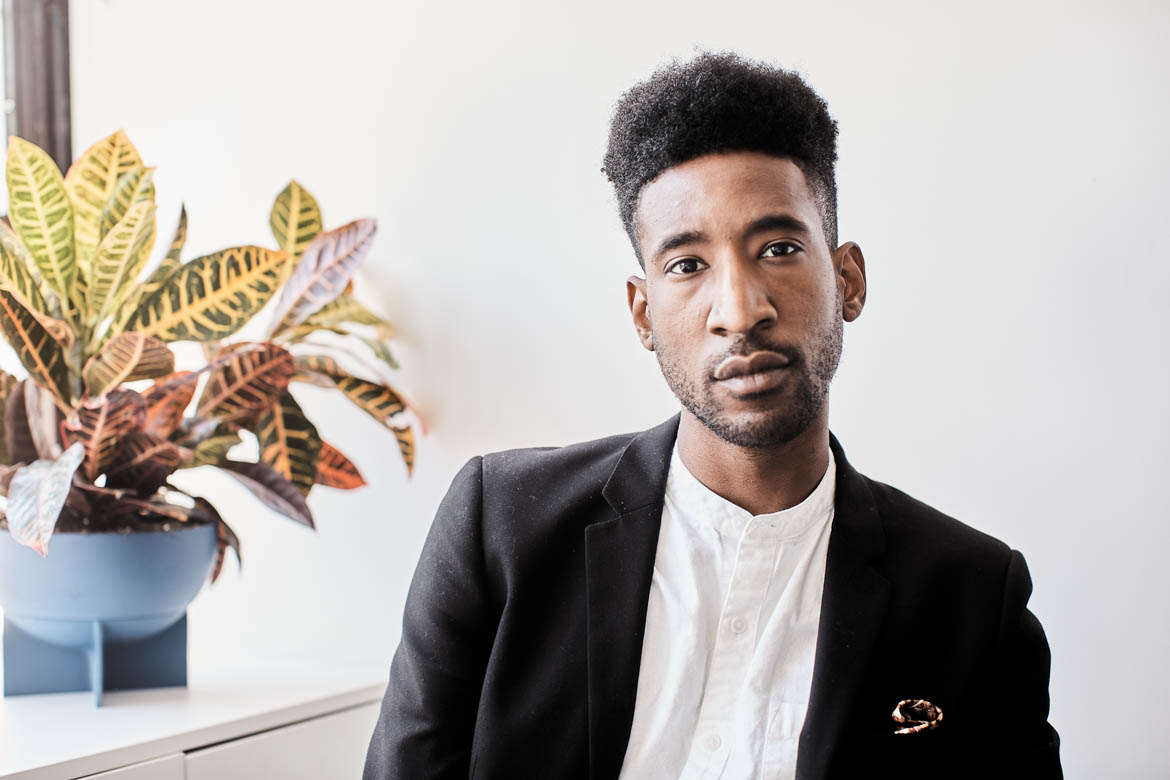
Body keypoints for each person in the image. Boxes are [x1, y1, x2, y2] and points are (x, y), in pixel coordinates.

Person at [363, 51, 1062, 780]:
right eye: (688, 265)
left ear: (848, 280)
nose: (739, 311)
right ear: (643, 314)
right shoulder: (499, 530)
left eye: (780, 248)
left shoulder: (973, 597)